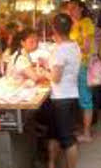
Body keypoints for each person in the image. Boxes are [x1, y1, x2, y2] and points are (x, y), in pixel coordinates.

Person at [37, 13, 81, 168]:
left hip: (62, 99)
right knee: (54, 134)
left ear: (54, 29)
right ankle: (51, 164)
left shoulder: (61, 50)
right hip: (70, 95)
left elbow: (55, 78)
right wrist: (49, 63)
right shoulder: (74, 45)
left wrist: (43, 72)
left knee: (68, 139)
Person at [68, 0, 96, 142]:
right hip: (74, 66)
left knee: (85, 99)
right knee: (80, 99)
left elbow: (86, 47)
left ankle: (87, 133)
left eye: (73, 7)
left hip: (83, 65)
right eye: (69, 8)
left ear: (81, 8)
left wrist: (69, 46)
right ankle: (83, 128)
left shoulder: (86, 23)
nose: (70, 11)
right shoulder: (73, 25)